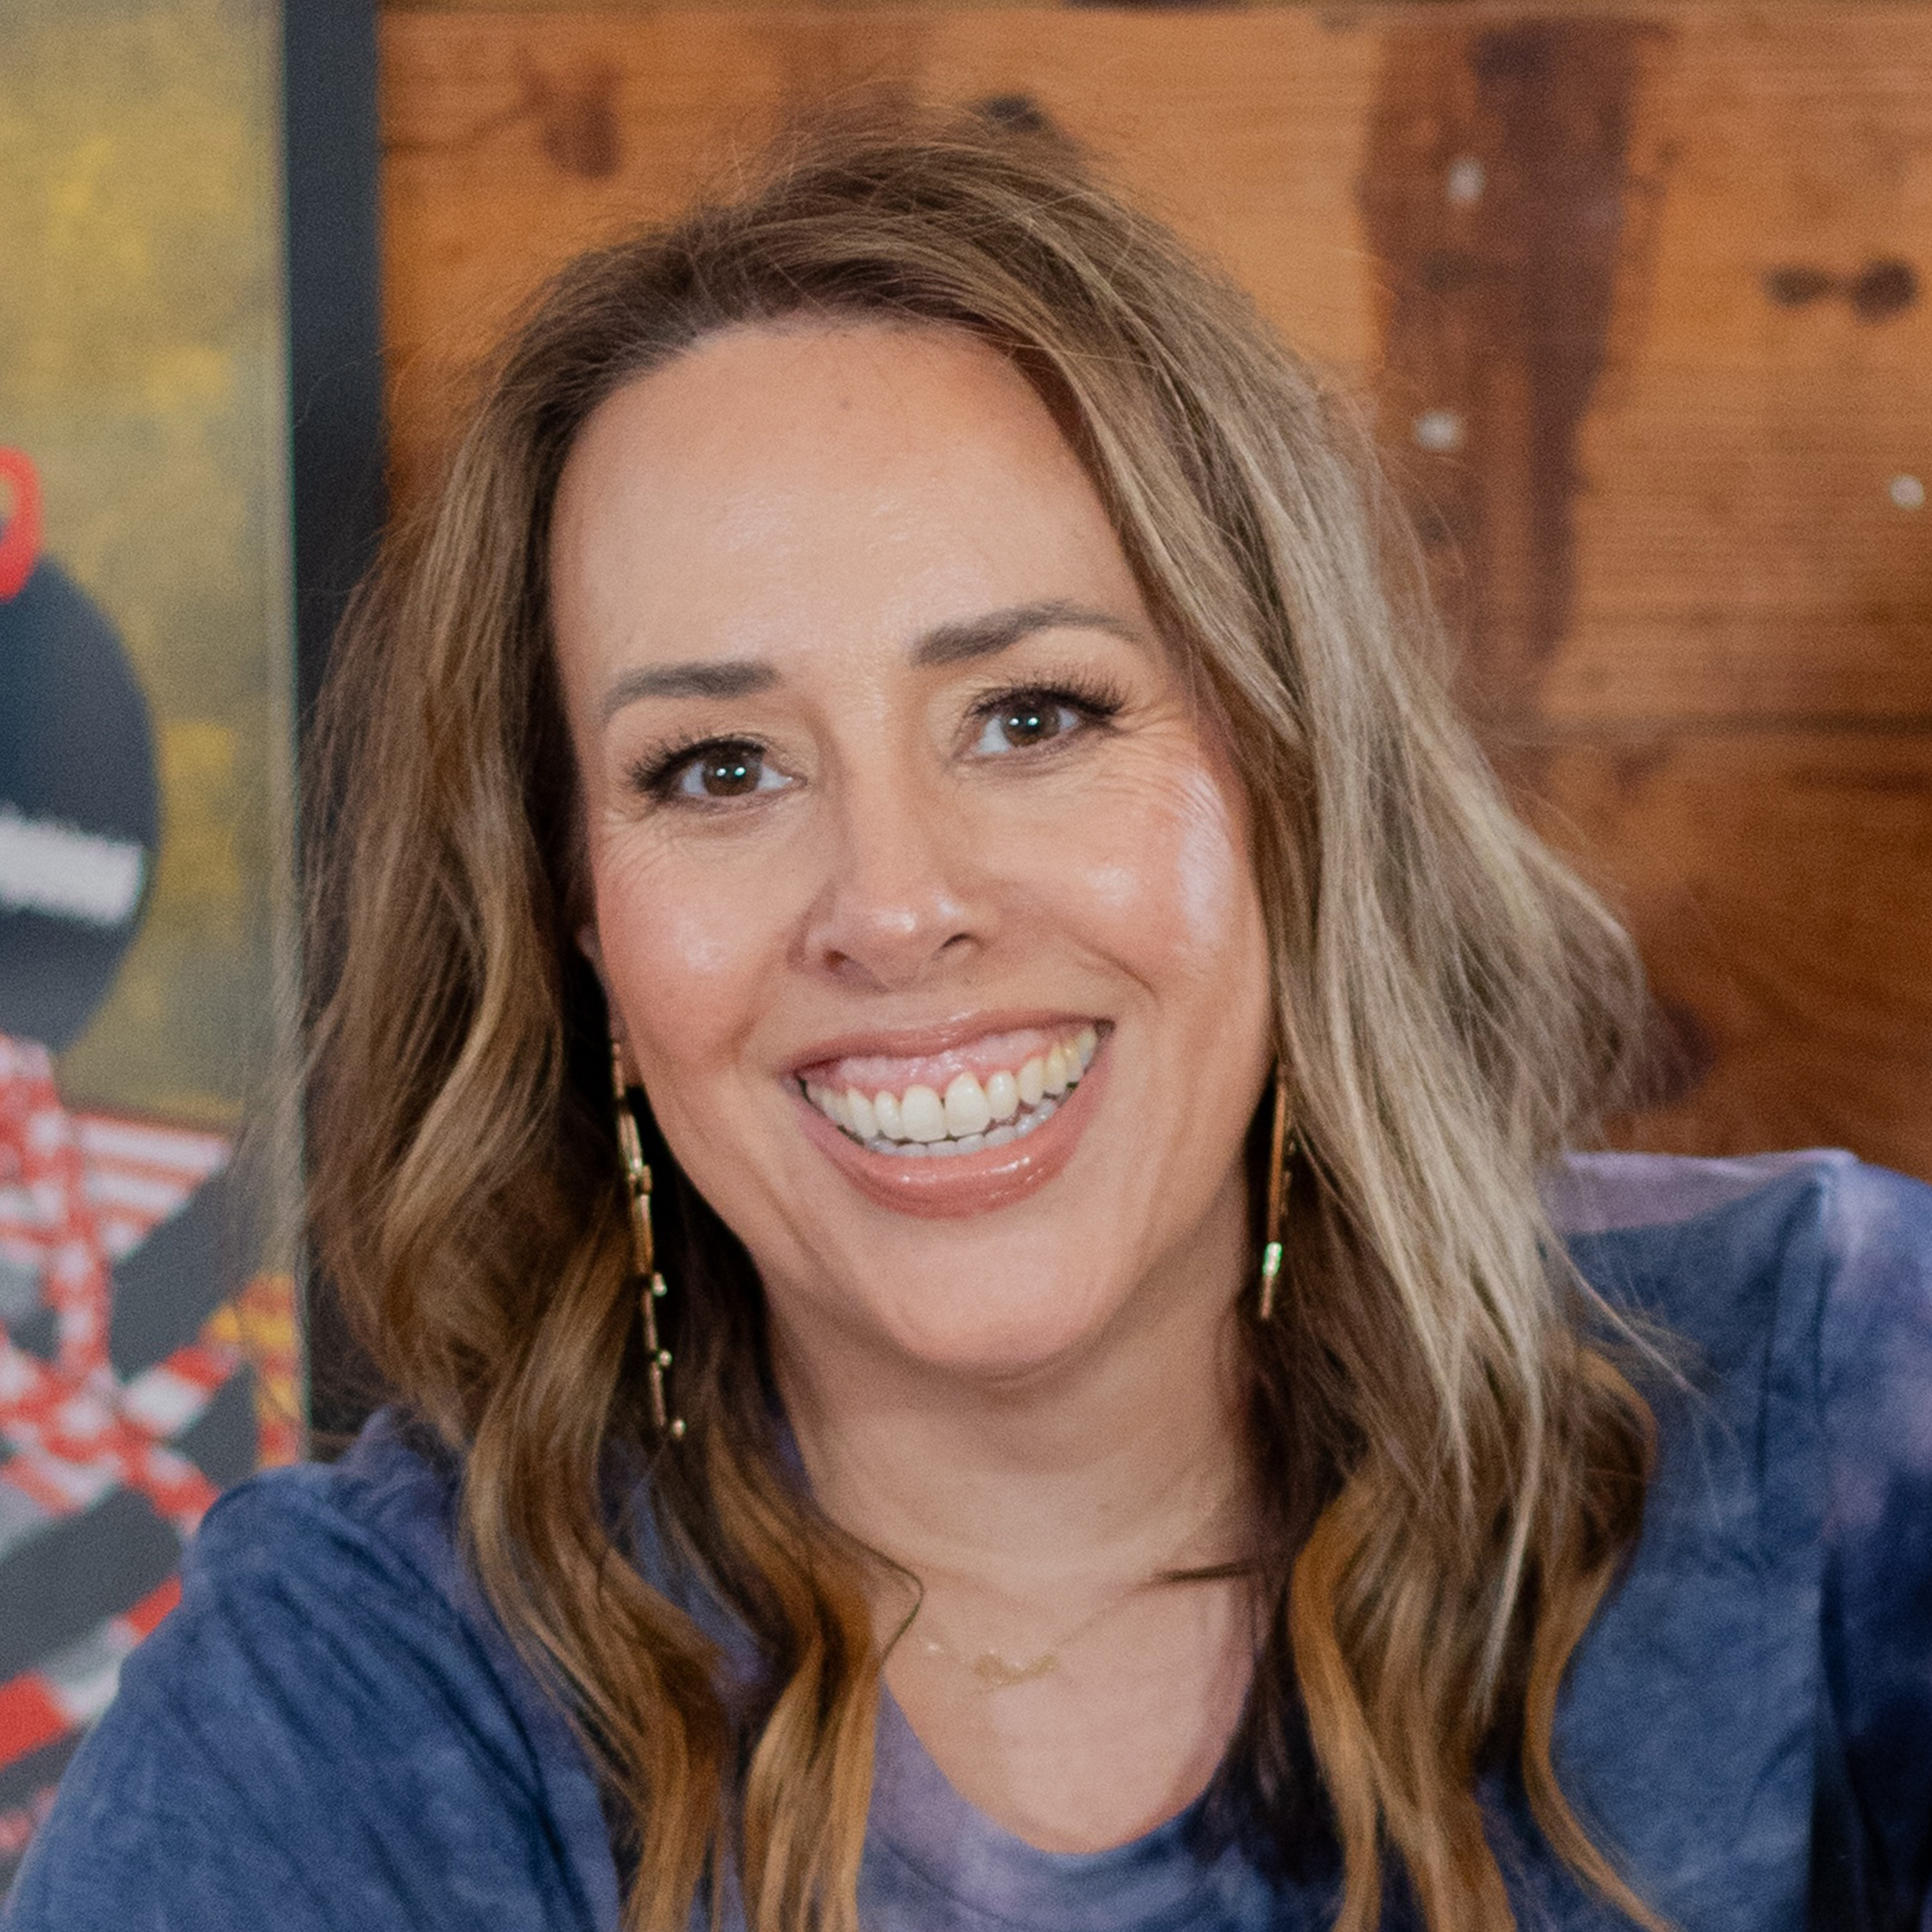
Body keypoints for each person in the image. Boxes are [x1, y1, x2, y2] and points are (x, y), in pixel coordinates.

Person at [6, 114, 1931, 1932]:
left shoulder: (1828, 1408)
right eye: (719, 766)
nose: (895, 907)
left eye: (1035, 715)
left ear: (1290, 774)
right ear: (573, 914)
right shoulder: (354, 1700)